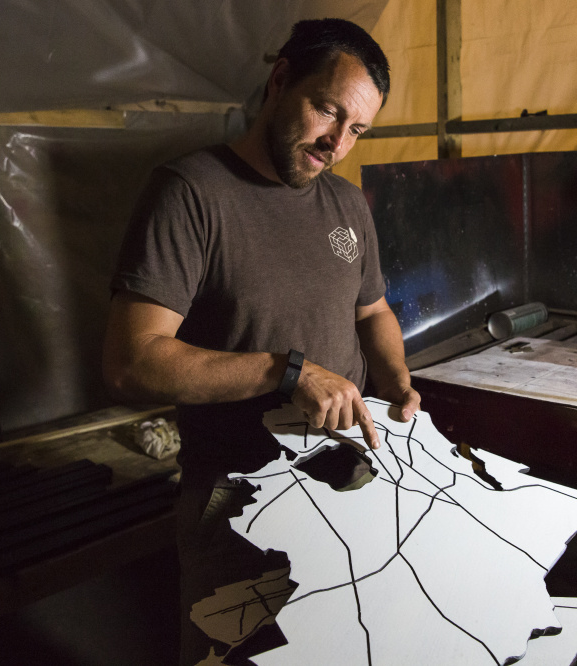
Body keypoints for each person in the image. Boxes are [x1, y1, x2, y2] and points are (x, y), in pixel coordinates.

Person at [101, 18, 420, 664]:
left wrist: (396, 380)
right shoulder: (190, 193)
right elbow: (132, 361)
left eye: (356, 130)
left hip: (348, 486)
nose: (336, 142)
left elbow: (374, 311)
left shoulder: (346, 205)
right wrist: (287, 372)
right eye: (327, 112)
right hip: (237, 502)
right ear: (279, 81)